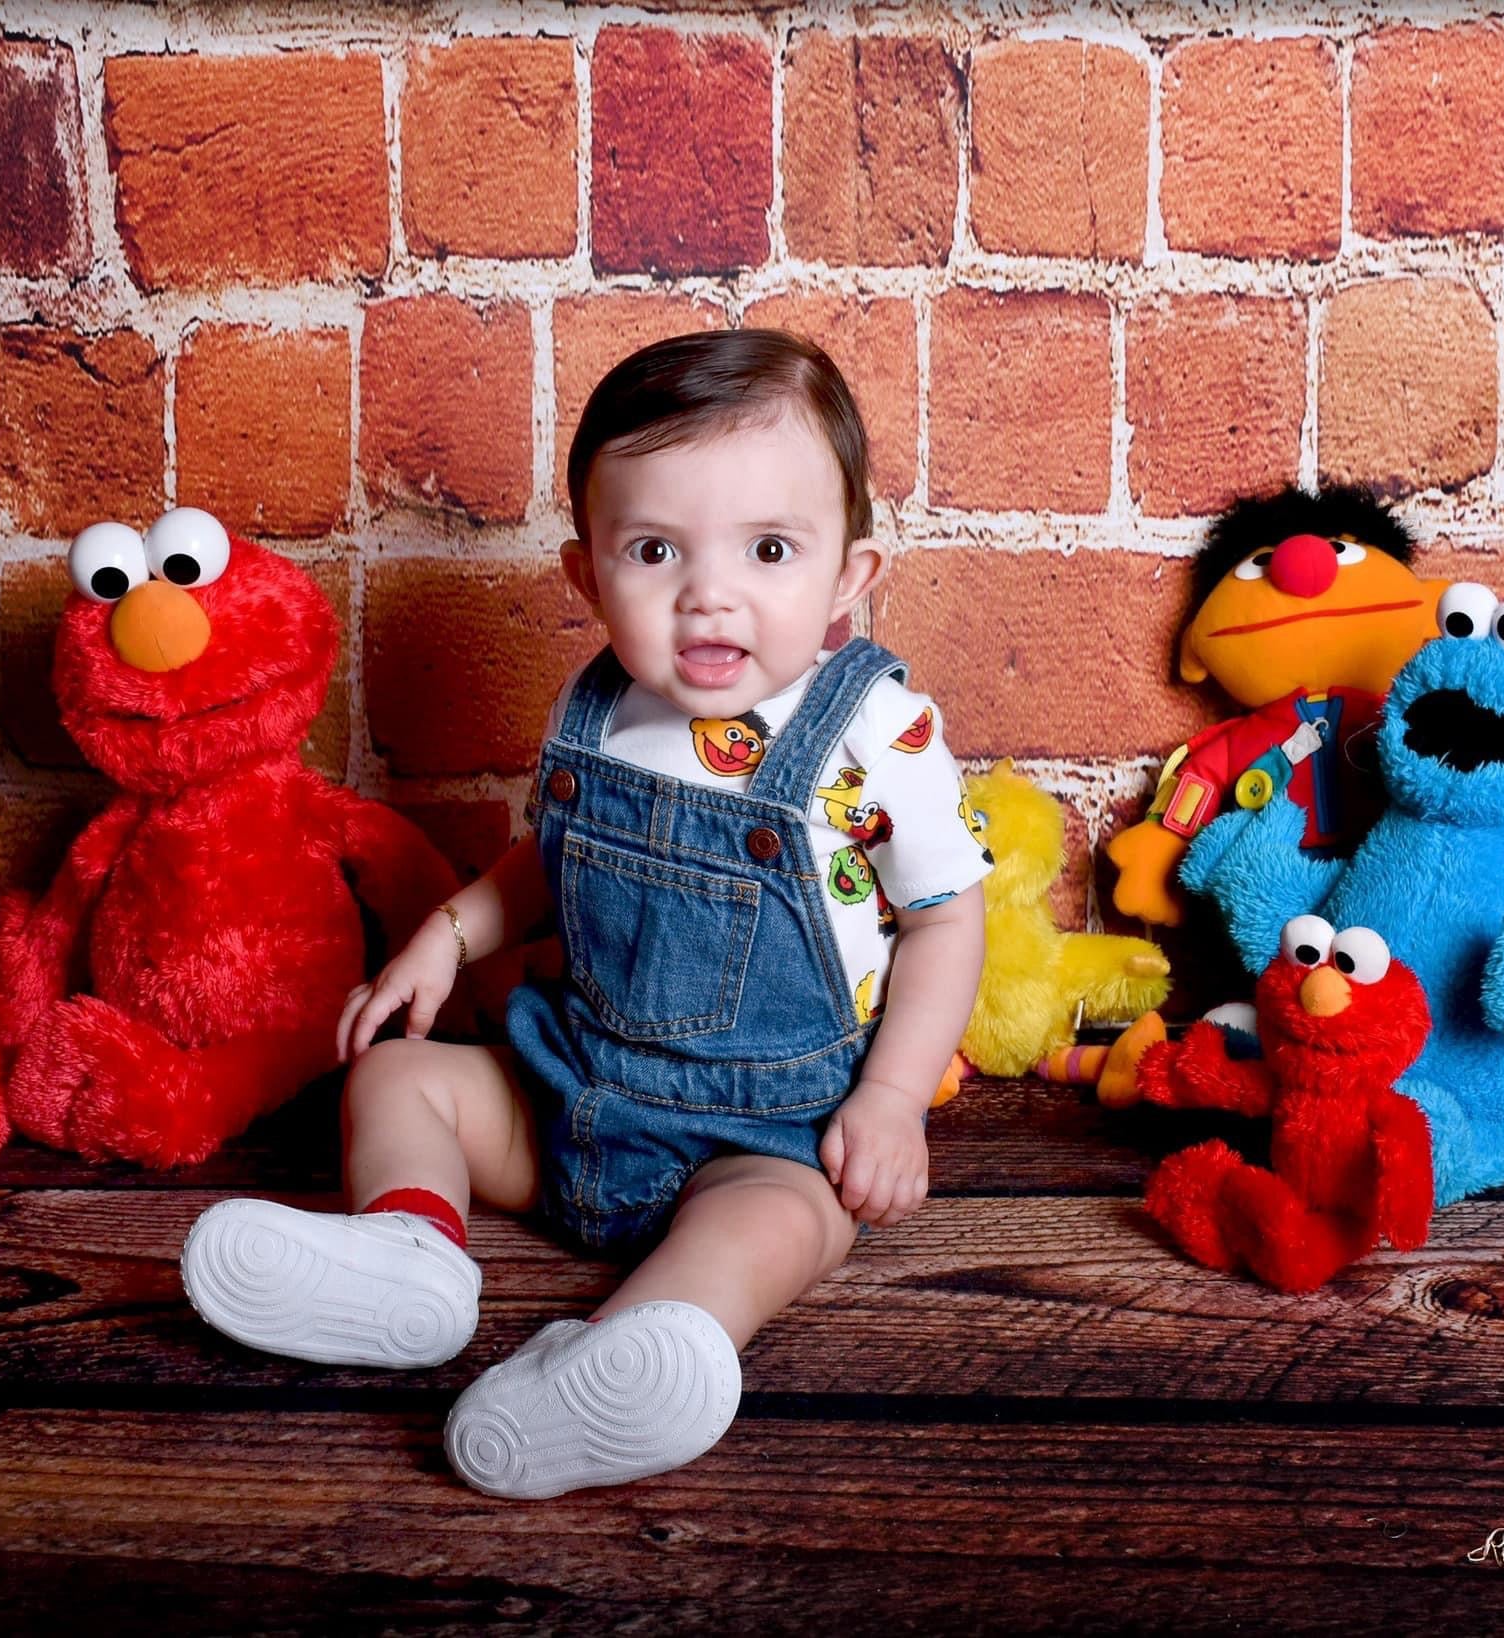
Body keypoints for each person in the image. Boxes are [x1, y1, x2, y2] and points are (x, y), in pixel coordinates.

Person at [180, 329, 989, 1500]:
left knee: (785, 1228)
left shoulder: (876, 732)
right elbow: (547, 865)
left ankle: (635, 1353)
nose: (708, 594)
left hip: (762, 1135)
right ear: (588, 574)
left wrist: (890, 1100)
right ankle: (409, 1256)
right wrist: (443, 937)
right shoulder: (602, 705)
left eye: (768, 549)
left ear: (849, 579)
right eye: (655, 550)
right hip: (570, 1093)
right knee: (395, 1076)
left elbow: (945, 921)